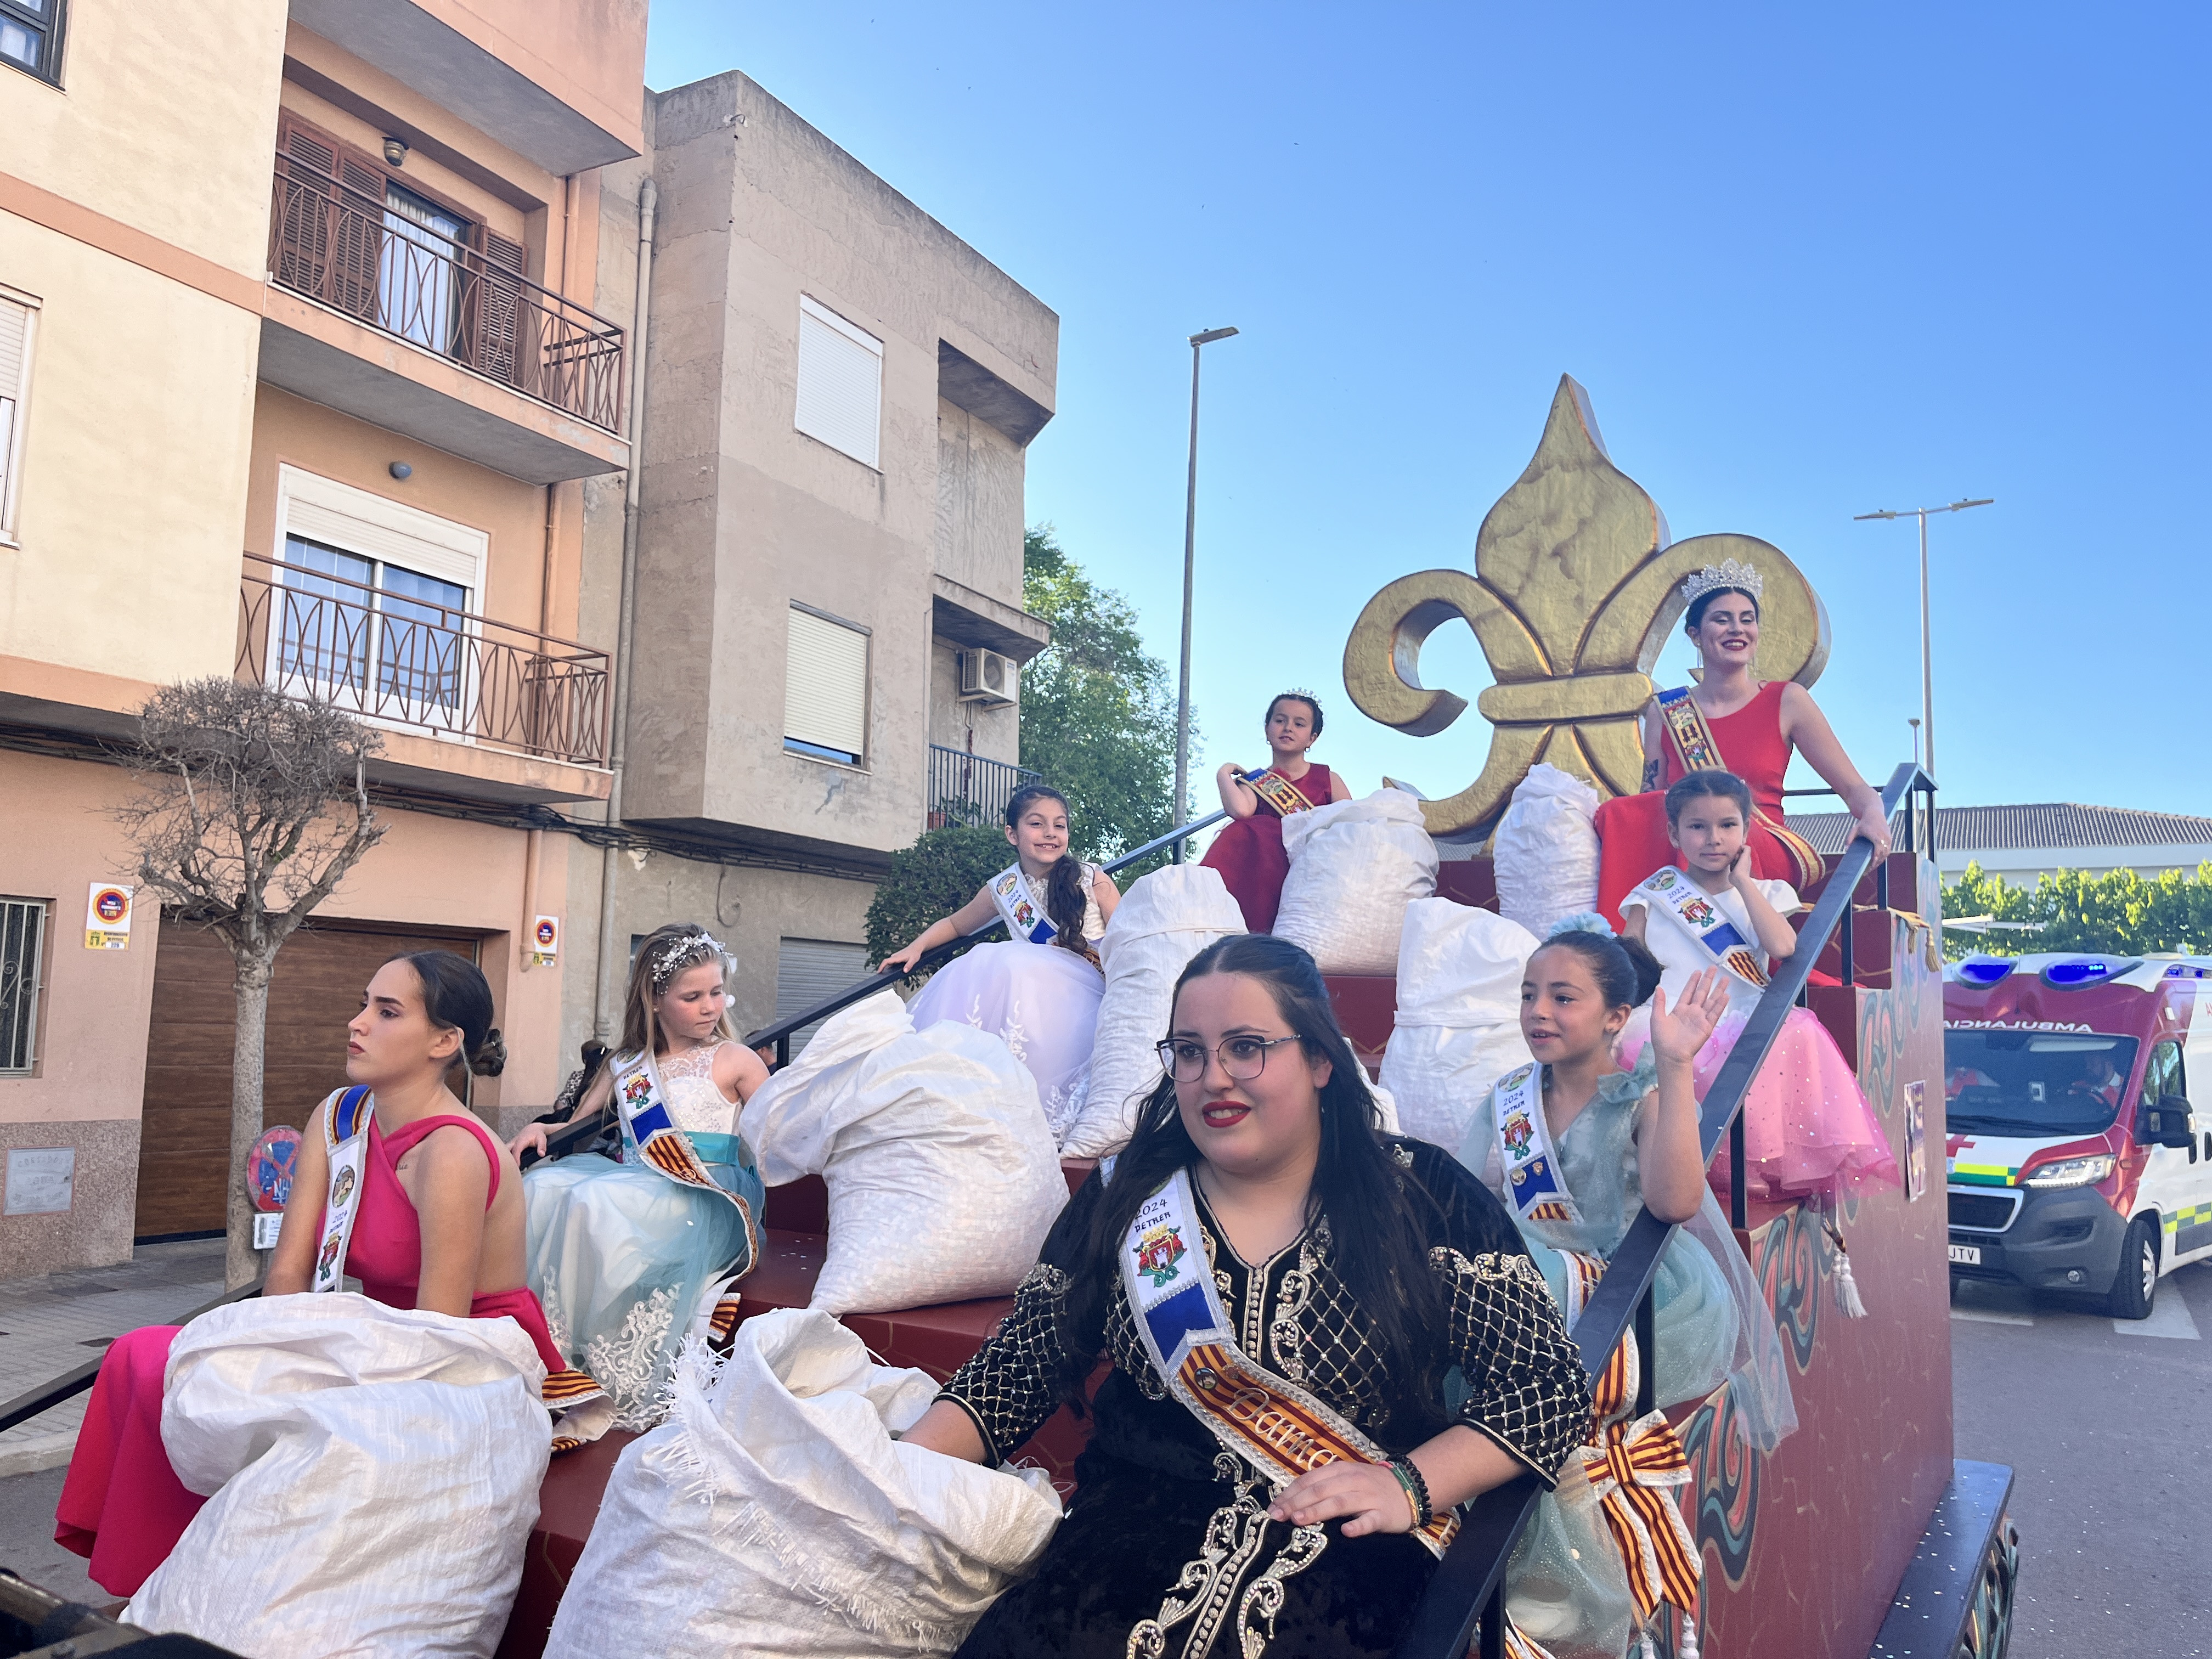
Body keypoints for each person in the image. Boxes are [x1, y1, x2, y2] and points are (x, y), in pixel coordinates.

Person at [896, 933, 1595, 1659]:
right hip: (1125, 1534)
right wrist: (896, 1472)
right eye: (1190, 1052)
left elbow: (1545, 1385)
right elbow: (1023, 1361)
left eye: (1247, 1047)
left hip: (1353, 1550)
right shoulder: (1127, 1198)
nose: (1214, 1077)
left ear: (1321, 1059)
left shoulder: (1423, 1198)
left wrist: (1411, 1486)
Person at [55, 952, 571, 1598]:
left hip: (464, 1357)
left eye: (386, 1012)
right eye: (363, 1003)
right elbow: (291, 1273)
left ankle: (206, 1586)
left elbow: (438, 1337)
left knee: (196, 1374)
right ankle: (168, 1576)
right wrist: (266, 1357)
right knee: (151, 1358)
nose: (357, 1024)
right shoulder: (339, 1117)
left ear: (445, 1042)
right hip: (374, 1333)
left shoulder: (454, 1151)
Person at [1459, 919, 1798, 1659]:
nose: (1538, 1012)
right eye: (1528, 995)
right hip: (1530, 1286)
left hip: (1629, 1297)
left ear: (1618, 1017)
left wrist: (1675, 1067)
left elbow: (1675, 1202)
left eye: (1563, 997)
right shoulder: (1510, 1097)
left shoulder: (1638, 1094)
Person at [510, 924, 767, 1428]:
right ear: (654, 998)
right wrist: (542, 1129)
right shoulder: (628, 1065)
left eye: (717, 992)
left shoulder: (736, 1060)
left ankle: (595, 1370)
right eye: (692, 996)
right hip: (634, 1182)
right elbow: (577, 1124)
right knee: (540, 1187)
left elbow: (783, 1130)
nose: (711, 1006)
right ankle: (547, 1356)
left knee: (597, 1202)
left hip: (702, 1193)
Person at [1618, 770, 1899, 1203]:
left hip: (1741, 1015)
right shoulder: (1652, 895)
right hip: (1671, 1017)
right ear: (1674, 833)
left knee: (1794, 1032)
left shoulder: (1769, 892)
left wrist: (1744, 883)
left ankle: (1748, 1165)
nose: (1713, 838)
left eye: (1728, 825)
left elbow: (1785, 946)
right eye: (1698, 826)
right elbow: (1628, 961)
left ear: (1747, 830)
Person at [1593, 560, 1894, 926]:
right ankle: (1625, 945)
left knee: (1697, 816)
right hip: (1690, 841)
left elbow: (1854, 788)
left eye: (1747, 619)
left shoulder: (1788, 700)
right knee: (1629, 812)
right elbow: (1648, 801)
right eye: (1722, 619)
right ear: (1695, 635)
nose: (1737, 628)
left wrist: (1875, 816)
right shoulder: (1668, 711)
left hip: (1761, 842)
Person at [885, 784, 1121, 1139]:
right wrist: (917, 947)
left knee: (1010, 962)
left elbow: (1127, 933)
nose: (1050, 834)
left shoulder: (1092, 878)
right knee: (990, 960)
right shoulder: (1004, 888)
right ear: (1012, 833)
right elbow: (955, 924)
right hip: (1032, 998)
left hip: (1090, 989)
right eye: (1037, 824)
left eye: (1060, 825)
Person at [1201, 690, 1355, 934]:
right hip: (1264, 873)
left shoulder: (1328, 779)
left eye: (1299, 724)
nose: (1288, 728)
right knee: (1250, 829)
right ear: (1267, 729)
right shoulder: (1257, 781)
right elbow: (1241, 811)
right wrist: (1224, 773)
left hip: (1315, 869)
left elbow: (1351, 825)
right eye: (1280, 720)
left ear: (1312, 738)